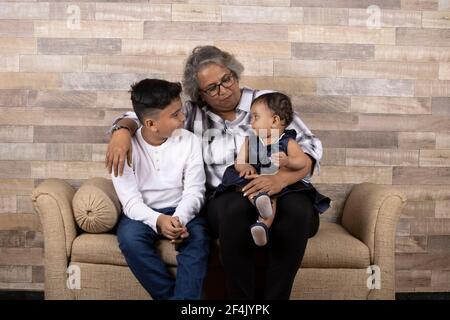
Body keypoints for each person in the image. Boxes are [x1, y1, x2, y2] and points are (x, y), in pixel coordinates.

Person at [106, 46, 327, 299]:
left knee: (297, 210)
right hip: (229, 194)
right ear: (200, 94)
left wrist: (280, 179)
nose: (224, 90)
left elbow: (310, 147)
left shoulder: (266, 101)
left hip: (285, 186)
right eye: (212, 88)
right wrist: (121, 131)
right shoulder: (190, 113)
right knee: (234, 211)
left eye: (227, 79)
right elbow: (147, 116)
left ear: (234, 73)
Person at [111, 78, 209, 300]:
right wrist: (158, 220)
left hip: (182, 209)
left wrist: (179, 218)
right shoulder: (124, 148)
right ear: (150, 124)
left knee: (199, 238)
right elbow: (130, 203)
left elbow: (194, 191)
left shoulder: (189, 141)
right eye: (175, 115)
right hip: (142, 213)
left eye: (181, 110)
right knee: (129, 238)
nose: (183, 118)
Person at [215, 91, 330, 247]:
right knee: (251, 188)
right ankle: (258, 203)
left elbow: (302, 162)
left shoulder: (287, 142)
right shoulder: (251, 140)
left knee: (272, 196)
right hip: (255, 179)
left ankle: (263, 226)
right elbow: (239, 161)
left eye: (255, 117)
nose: (251, 123)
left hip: (274, 181)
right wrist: (245, 166)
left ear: (274, 121)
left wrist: (288, 161)